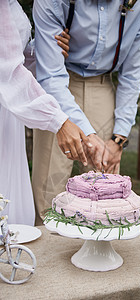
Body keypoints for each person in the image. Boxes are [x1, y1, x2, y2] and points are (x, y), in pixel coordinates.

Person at [32, 0, 140, 224]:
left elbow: (133, 73)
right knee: (48, 189)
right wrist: (88, 136)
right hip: (59, 83)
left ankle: (97, 253)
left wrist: (119, 138)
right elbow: (50, 75)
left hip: (103, 85)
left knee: (106, 193)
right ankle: (47, 252)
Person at [0, 0, 92, 226]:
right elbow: (8, 73)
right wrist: (59, 121)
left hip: (9, 112)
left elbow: (15, 59)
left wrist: (46, 50)